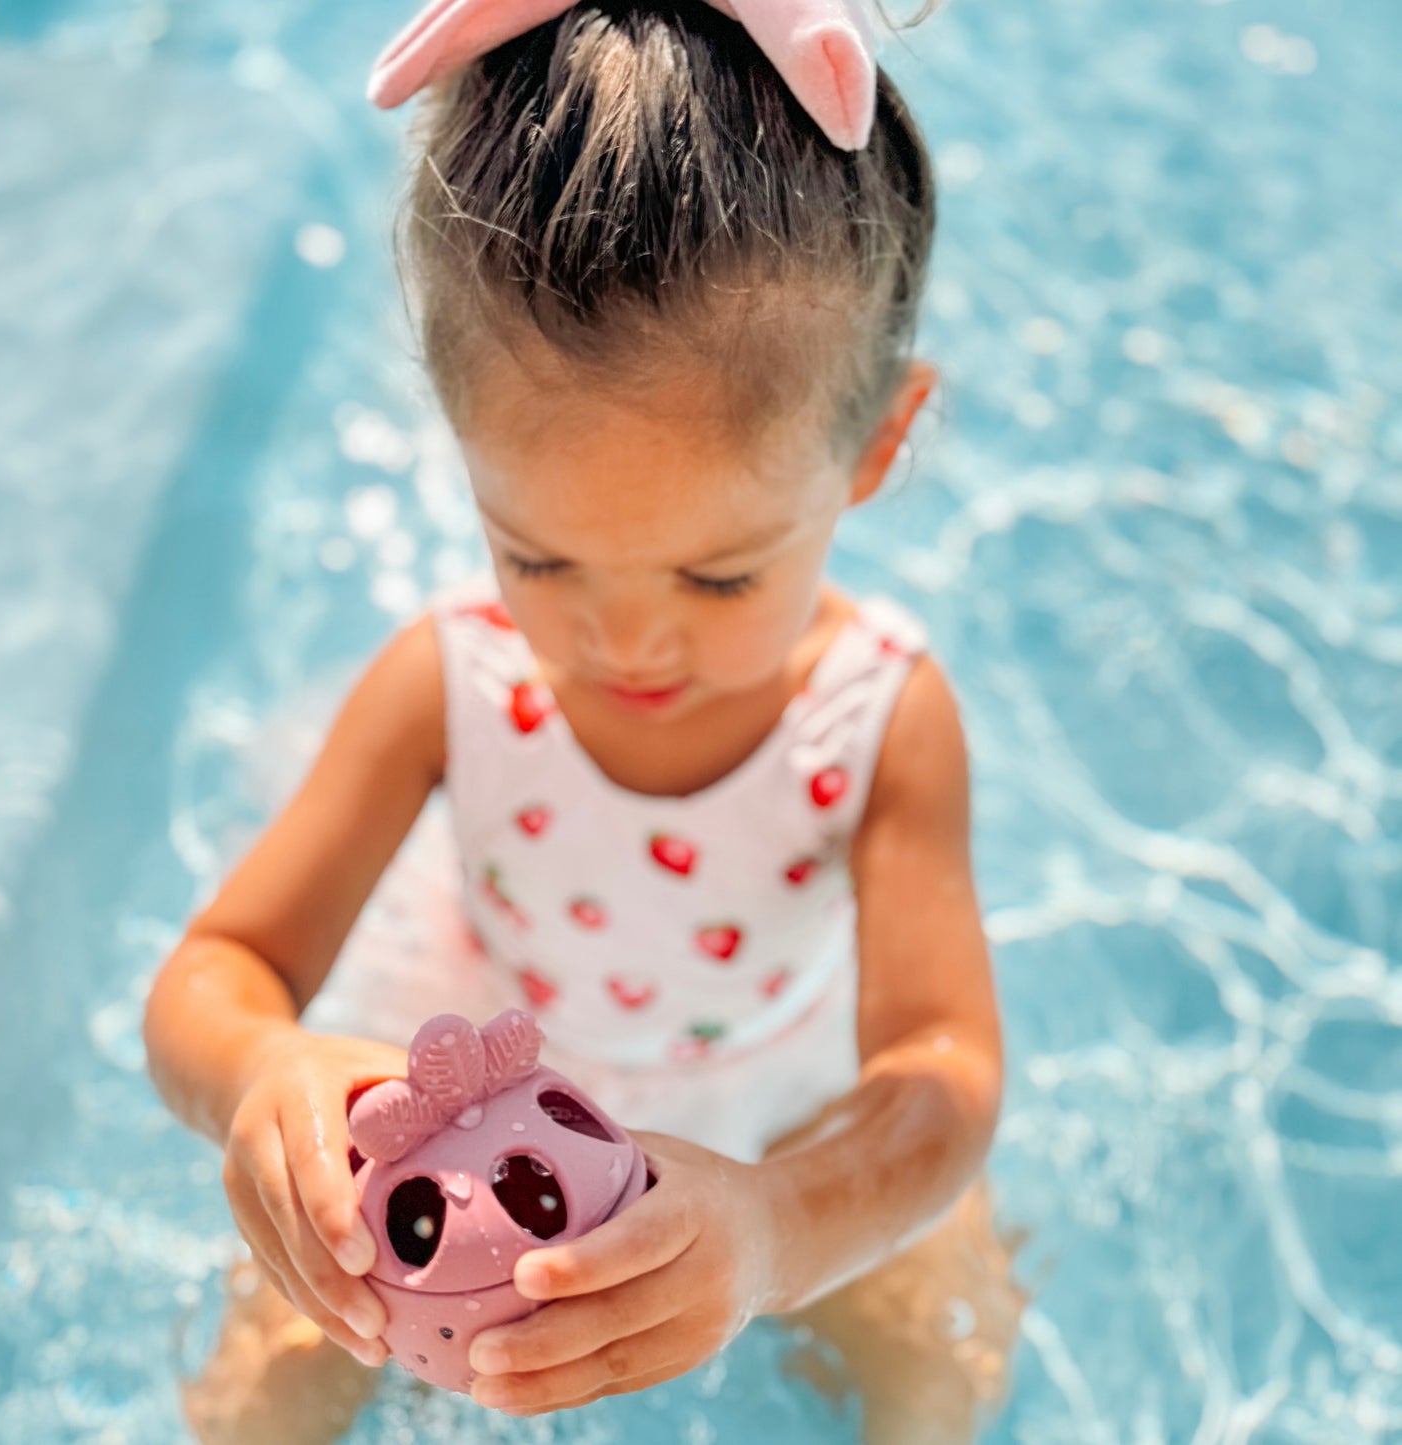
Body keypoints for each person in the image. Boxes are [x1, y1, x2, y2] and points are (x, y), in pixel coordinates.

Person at [143, 3, 1025, 1443]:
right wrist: (264, 1073)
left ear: (878, 445)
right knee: (270, 1365)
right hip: (471, 1078)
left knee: (944, 1352)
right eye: (535, 554)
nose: (621, 642)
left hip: (780, 1121)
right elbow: (217, 971)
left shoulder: (882, 720)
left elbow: (941, 1078)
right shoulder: (447, 681)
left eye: (719, 571)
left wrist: (777, 1221)